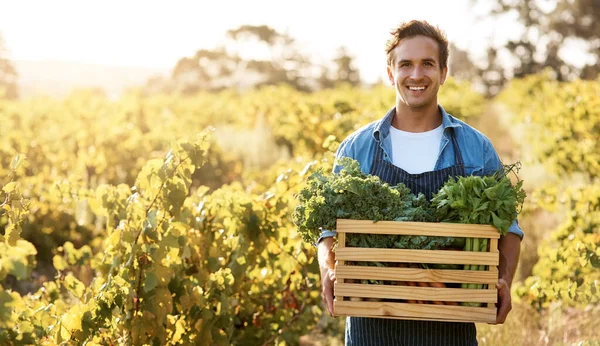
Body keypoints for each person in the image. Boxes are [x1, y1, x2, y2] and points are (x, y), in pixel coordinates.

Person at [316, 20, 523, 346]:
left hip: (451, 324)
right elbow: (329, 229)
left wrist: (502, 281)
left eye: (427, 64)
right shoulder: (358, 148)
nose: (416, 75)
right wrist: (328, 269)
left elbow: (509, 228)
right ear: (390, 73)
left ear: (443, 72)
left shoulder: (474, 147)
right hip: (371, 326)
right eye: (406, 64)